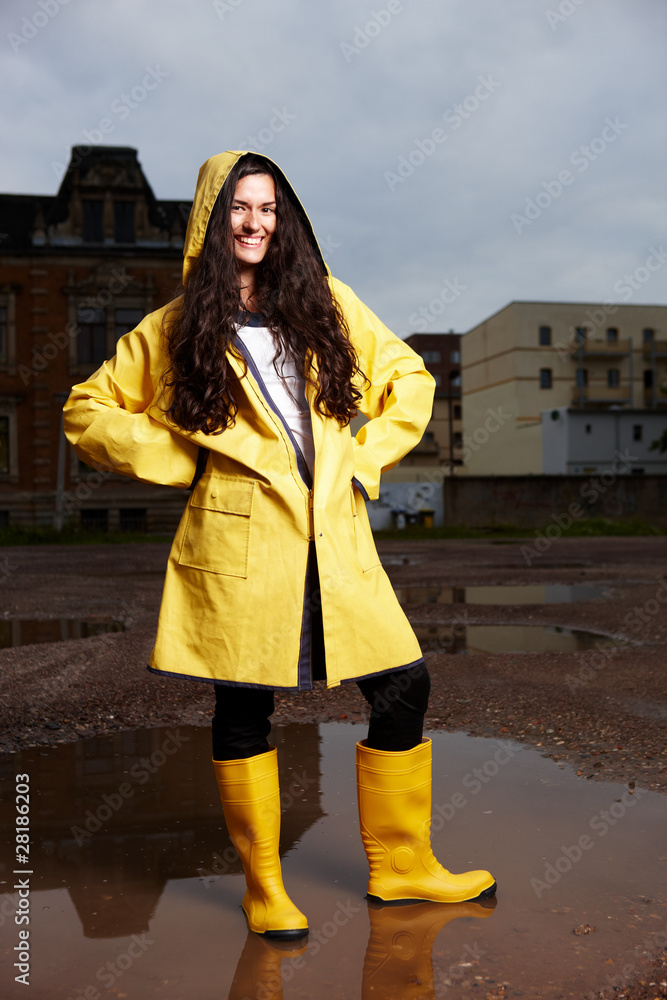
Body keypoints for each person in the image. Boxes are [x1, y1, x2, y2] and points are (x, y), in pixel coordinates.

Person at [63, 151, 496, 941]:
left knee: (402, 684)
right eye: (238, 207)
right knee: (244, 705)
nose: (254, 222)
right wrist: (183, 458)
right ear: (211, 220)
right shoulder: (171, 327)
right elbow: (86, 411)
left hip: (334, 537)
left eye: (267, 208)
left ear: (284, 219)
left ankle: (401, 866)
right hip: (239, 543)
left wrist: (363, 458)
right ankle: (263, 886)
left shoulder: (326, 302)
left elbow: (409, 378)